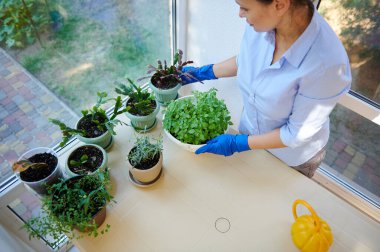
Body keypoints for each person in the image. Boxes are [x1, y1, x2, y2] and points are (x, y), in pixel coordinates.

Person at [180, 0, 351, 178]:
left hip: (290, 158)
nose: (240, 14)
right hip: (250, 136)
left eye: (245, 8)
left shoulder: (327, 65)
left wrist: (238, 144)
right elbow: (246, 61)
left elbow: (295, 134)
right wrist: (202, 73)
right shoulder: (264, 24)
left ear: (279, 4)